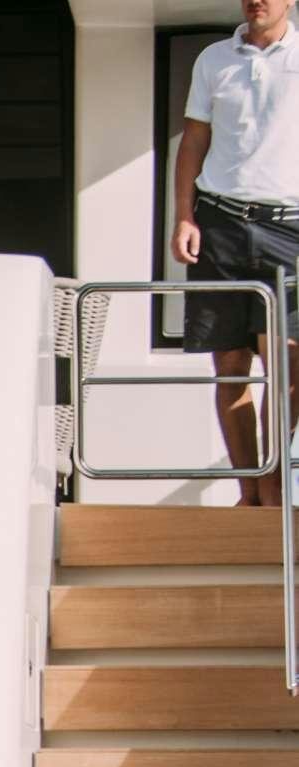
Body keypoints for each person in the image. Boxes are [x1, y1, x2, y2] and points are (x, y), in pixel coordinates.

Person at [174, 0, 299, 506]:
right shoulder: (213, 59)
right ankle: (249, 494)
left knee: (287, 371)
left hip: (290, 229)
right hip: (220, 224)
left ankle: (272, 488)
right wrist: (184, 216)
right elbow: (193, 141)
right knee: (229, 365)